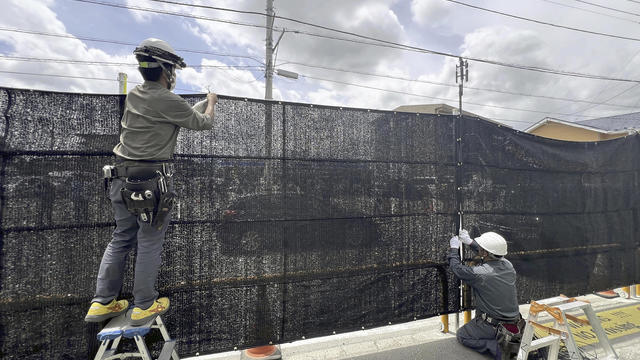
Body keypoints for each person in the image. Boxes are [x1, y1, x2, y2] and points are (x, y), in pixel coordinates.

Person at [85, 38, 218, 326]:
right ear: (167, 71)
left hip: (120, 178)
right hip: (151, 183)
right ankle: (144, 305)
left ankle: (102, 302)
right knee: (149, 241)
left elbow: (178, 113)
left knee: (121, 238)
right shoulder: (167, 99)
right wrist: (211, 103)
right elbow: (202, 123)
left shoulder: (136, 95)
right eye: (173, 72)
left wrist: (196, 105)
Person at [448, 229, 522, 360]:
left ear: (485, 252)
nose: (480, 248)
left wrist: (454, 249)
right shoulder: (508, 266)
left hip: (492, 325)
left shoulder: (481, 274)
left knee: (462, 335)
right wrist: (470, 242)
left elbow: (457, 269)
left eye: (481, 248)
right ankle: (510, 341)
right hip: (516, 322)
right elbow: (491, 255)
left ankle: (501, 350)